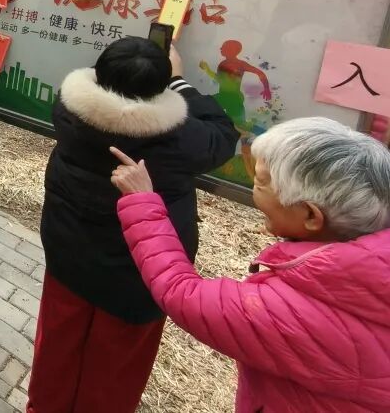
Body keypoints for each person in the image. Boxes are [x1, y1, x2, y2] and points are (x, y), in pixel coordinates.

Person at [113, 116, 390, 413]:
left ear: (311, 216)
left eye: (261, 181)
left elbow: (182, 293)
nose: (255, 185)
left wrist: (141, 200)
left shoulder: (291, 314)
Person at [27, 39, 237, 413]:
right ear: (161, 88)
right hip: (138, 278)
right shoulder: (178, 138)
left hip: (68, 256)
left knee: (56, 349)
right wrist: (179, 81)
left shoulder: (69, 111)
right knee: (114, 370)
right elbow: (222, 136)